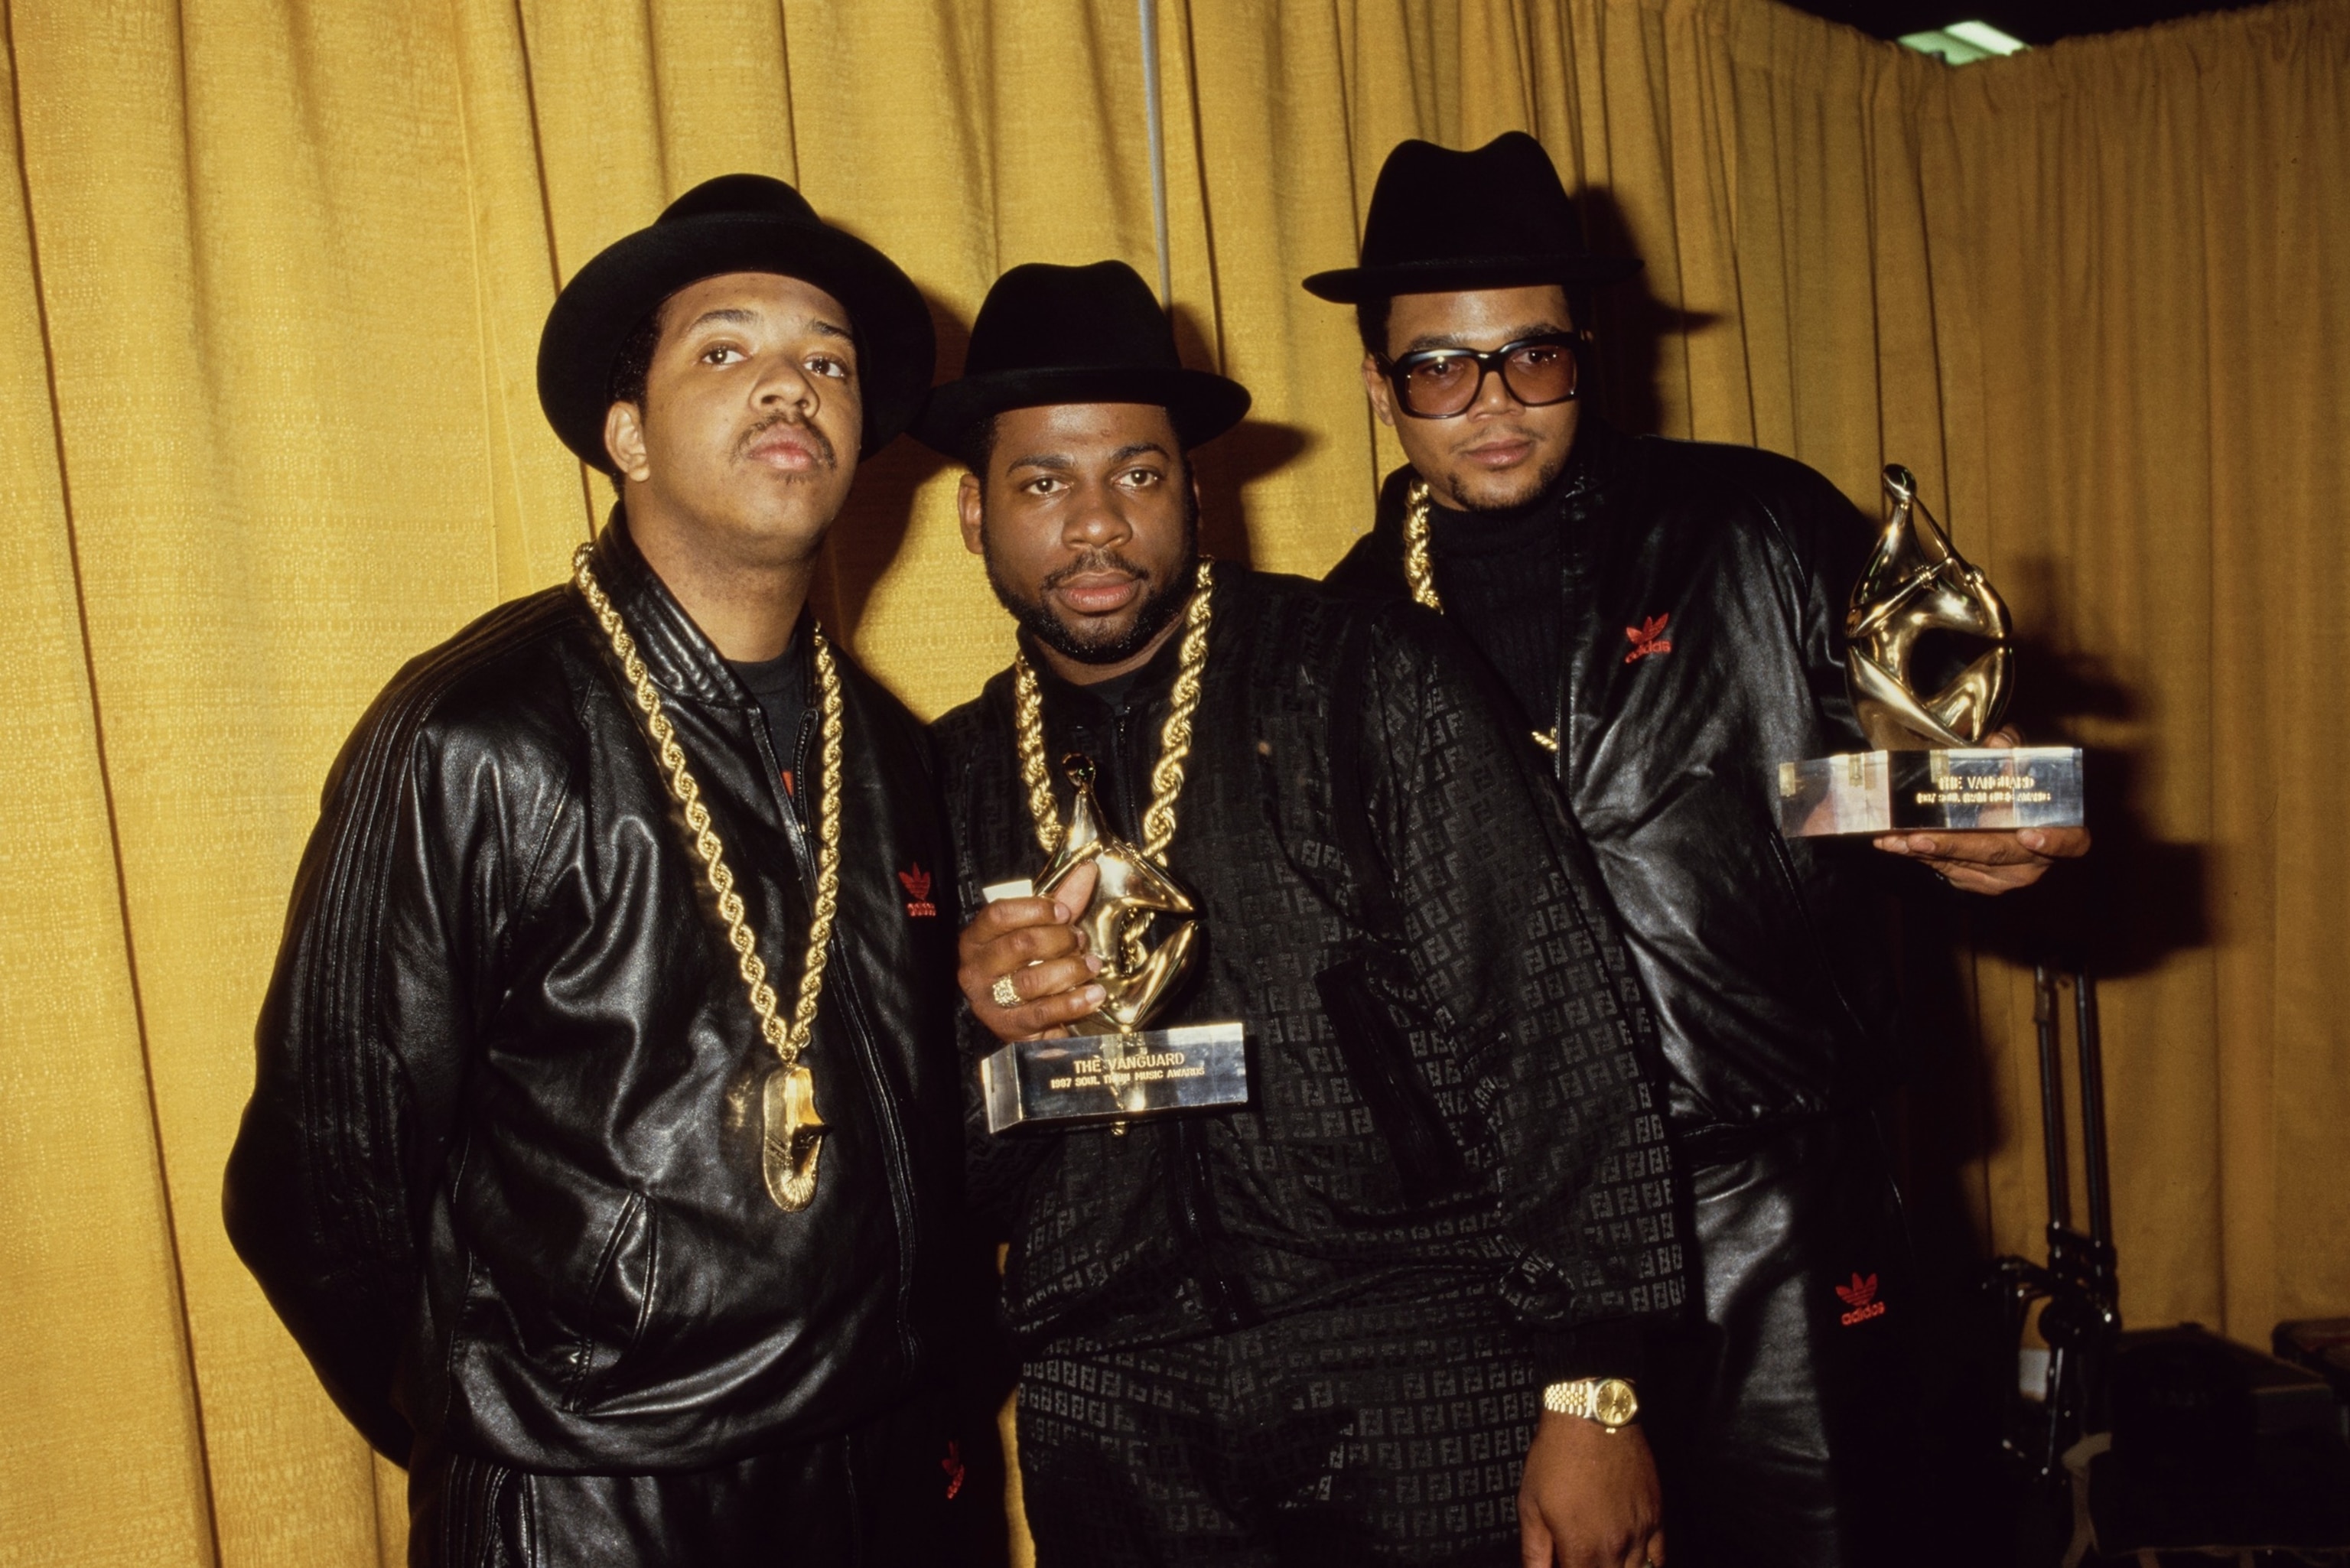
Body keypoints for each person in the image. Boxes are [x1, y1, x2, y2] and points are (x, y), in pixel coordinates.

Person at [1307, 132, 2092, 1566]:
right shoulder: (1343, 635)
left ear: (1586, 351)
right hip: (1508, 1249)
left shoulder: (1757, 522)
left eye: (1533, 356)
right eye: (1440, 369)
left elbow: (1934, 738)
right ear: (1378, 383)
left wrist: (2002, 818)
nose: (1495, 404)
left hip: (1778, 1199)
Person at [223, 174, 994, 1566]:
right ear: (626, 432)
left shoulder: (889, 750)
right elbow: (318, 1188)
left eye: (827, 361)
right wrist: (509, 1431)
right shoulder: (478, 735)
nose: (792, 385)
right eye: (726, 349)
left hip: (889, 1476)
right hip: (596, 1505)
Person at [921, 258, 1688, 1568]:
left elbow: (1556, 1021)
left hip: (1417, 1358)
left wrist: (1596, 1385)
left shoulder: (1366, 674)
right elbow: (939, 1168)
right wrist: (976, 1026)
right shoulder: (945, 779)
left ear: (1196, 490)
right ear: (972, 513)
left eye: (1138, 474)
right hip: (1110, 1399)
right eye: (1042, 483)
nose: (1096, 526)